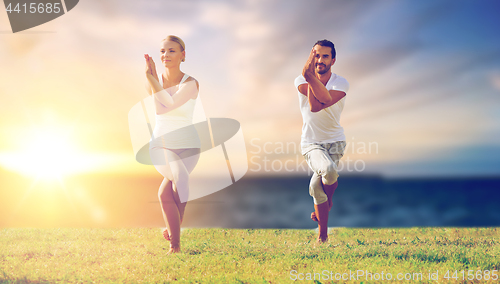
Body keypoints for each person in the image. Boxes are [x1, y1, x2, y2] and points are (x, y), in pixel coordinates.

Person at [144, 35, 200, 254]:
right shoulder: (152, 81)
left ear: (183, 55)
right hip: (162, 145)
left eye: (171, 51)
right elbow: (160, 110)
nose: (165, 55)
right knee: (180, 176)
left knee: (165, 193)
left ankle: (174, 245)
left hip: (189, 146)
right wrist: (150, 78)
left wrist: (151, 78)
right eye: (162, 51)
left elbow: (170, 104)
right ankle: (176, 238)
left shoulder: (191, 83)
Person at [294, 40, 349, 243]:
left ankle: (323, 234)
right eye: (316, 55)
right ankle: (324, 227)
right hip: (311, 143)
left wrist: (310, 76)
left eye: (325, 56)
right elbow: (313, 105)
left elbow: (321, 102)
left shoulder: (341, 83)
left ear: (333, 60)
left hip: (336, 142)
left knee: (318, 186)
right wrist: (308, 76)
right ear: (311, 57)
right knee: (327, 170)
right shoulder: (300, 80)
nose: (320, 60)